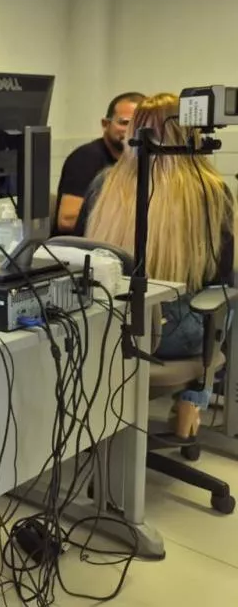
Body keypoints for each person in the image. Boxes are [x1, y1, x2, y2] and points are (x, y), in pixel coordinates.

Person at [77, 93, 234, 440]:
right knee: (229, 291)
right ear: (189, 133)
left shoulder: (104, 184)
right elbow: (219, 273)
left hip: (109, 327)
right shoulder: (211, 190)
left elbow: (81, 250)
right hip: (174, 336)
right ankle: (193, 402)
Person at [52, 91, 145, 234]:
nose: (131, 130)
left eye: (139, 124)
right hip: (82, 245)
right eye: (124, 123)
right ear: (106, 124)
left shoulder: (143, 160)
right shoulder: (85, 158)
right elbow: (67, 221)